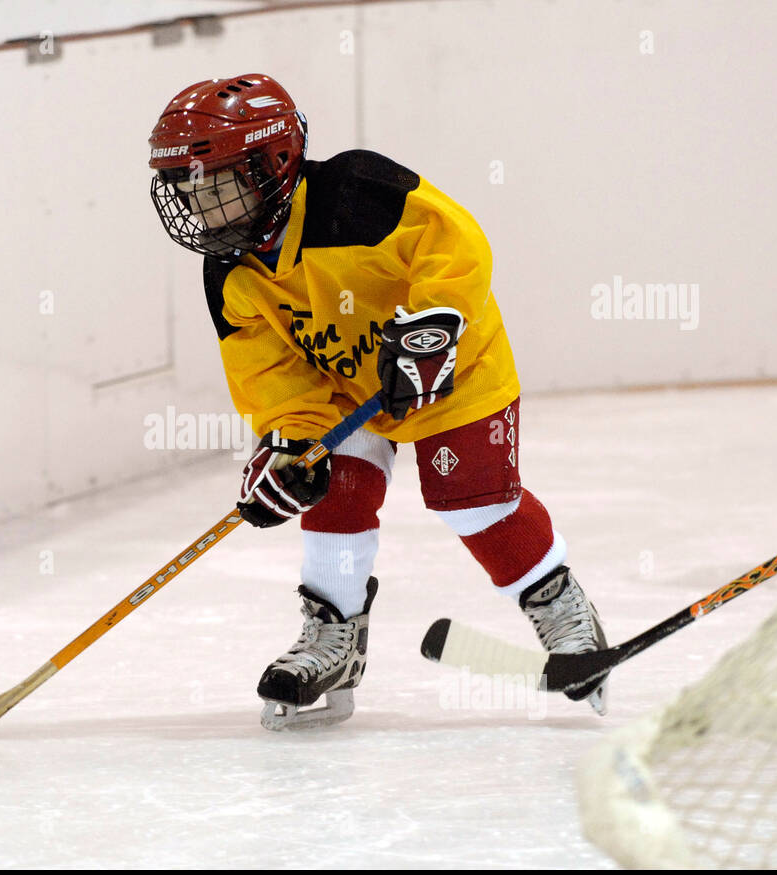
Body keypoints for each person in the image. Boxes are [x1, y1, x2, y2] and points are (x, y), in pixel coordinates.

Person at [147, 74, 608, 730]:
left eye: (215, 183)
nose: (200, 205)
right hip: (344, 388)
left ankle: (564, 613)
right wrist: (289, 442)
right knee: (327, 480)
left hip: (448, 368)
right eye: (186, 187)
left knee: (476, 502)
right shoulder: (229, 269)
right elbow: (272, 376)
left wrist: (433, 326)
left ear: (273, 166)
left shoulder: (359, 195)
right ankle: (334, 638)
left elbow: (457, 243)